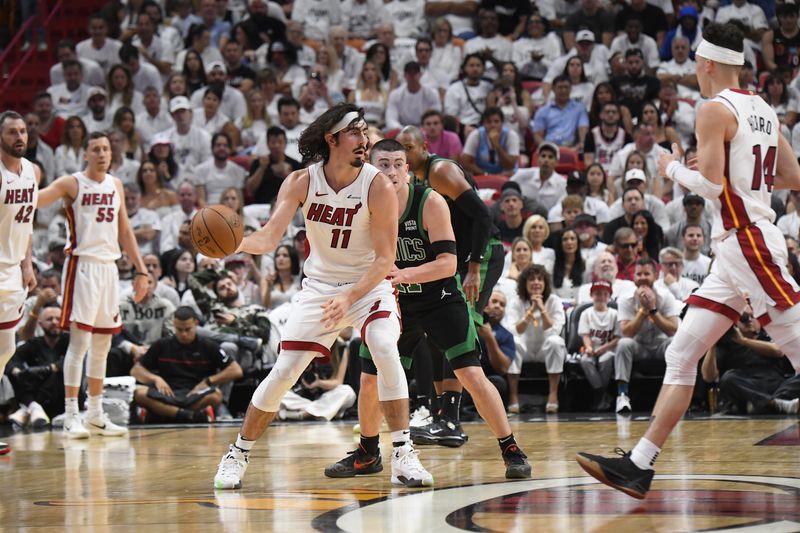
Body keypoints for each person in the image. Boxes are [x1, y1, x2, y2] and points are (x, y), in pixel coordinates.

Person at [577, 23, 800, 499]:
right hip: (737, 246)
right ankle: (638, 465)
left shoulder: (713, 108)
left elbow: (715, 187)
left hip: (748, 242)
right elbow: (791, 175)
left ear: (706, 65)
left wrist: (671, 168)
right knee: (681, 354)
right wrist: (740, 181)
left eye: (696, 69)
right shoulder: (764, 109)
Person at [213, 104, 432, 490]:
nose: (364, 141)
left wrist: (350, 297)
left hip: (367, 286)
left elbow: (385, 260)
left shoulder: (378, 184)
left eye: (366, 133)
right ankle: (238, 453)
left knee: (383, 346)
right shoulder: (301, 182)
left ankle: (402, 453)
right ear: (332, 139)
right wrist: (233, 245)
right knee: (283, 374)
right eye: (355, 133)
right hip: (318, 289)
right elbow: (267, 238)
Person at [333, 139, 530, 478]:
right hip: (395, 302)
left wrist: (404, 273)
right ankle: (367, 452)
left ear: (408, 169)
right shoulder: (363, 206)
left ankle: (510, 448)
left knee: (471, 375)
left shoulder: (430, 201)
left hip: (439, 298)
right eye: (384, 164)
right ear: (370, 168)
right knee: (369, 378)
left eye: (398, 164)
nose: (391, 171)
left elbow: (447, 263)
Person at [37, 131, 149, 439]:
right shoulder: (71, 183)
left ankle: (96, 413)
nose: (102, 154)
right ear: (85, 154)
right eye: (96, 149)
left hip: (109, 269)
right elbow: (35, 199)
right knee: (80, 343)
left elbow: (125, 229)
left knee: (103, 344)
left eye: (106, 149)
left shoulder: (115, 185)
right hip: (81, 267)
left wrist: (141, 270)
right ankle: (72, 414)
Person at [396, 125, 505, 436]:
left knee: (461, 327)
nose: (404, 154)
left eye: (409, 147)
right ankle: (443, 415)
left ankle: (452, 420)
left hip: (481, 255)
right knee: (435, 336)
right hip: (457, 260)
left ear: (423, 146)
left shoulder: (440, 171)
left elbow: (484, 217)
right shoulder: (413, 180)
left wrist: (474, 266)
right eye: (399, 148)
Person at [0, 111, 42, 455]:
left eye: (23, 131)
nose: (19, 136)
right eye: (12, 131)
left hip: (13, 271)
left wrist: (27, 265)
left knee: (5, 350)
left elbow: (25, 224)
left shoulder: (33, 172)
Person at [132, 306, 243, 423]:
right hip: (167, 393)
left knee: (216, 396)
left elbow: (236, 370)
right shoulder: (162, 344)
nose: (183, 334)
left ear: (196, 324)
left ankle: (166, 413)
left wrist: (208, 381)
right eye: (179, 330)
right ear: (174, 325)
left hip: (195, 393)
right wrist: (155, 379)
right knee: (139, 393)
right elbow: (135, 370)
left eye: (187, 329)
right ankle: (188, 416)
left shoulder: (208, 345)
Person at [505, 264, 567, 414]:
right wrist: (531, 310)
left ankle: (553, 394)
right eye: (531, 279)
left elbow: (554, 330)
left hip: (545, 351)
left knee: (555, 341)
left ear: (545, 283)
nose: (536, 282)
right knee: (513, 342)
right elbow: (514, 330)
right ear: (524, 283)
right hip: (524, 350)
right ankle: (513, 396)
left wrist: (542, 308)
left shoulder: (554, 300)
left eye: (540, 279)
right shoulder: (516, 301)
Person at [6, 304, 67, 429]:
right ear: (40, 324)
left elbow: (71, 362)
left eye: (58, 319)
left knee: (58, 374)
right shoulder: (34, 343)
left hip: (62, 397)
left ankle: (29, 408)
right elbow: (11, 359)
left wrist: (47, 369)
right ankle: (34, 407)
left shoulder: (70, 341)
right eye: (49, 319)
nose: (54, 322)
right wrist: (17, 371)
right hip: (38, 391)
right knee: (19, 373)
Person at [578, 280, 619, 412]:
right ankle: (602, 393)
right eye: (597, 293)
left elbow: (617, 338)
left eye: (604, 294)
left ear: (609, 296)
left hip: (608, 348)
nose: (601, 297)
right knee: (585, 360)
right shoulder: (586, 313)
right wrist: (589, 348)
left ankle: (599, 394)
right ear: (592, 295)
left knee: (605, 359)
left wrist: (603, 348)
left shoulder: (615, 314)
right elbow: (585, 335)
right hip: (591, 349)